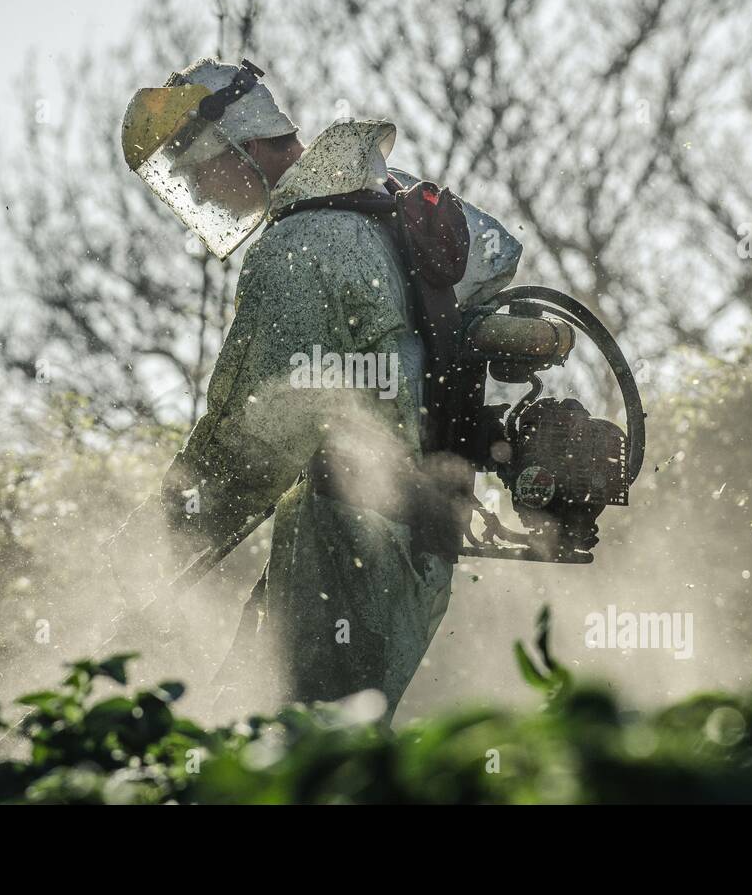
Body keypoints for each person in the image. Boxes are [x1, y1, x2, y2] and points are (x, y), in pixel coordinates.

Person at [118, 58, 519, 718]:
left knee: (306, 748)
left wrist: (152, 546)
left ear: (233, 141)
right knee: (246, 715)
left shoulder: (301, 247)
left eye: (194, 172)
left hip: (349, 535)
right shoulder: (383, 199)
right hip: (423, 535)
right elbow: (497, 250)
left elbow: (249, 441)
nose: (198, 194)